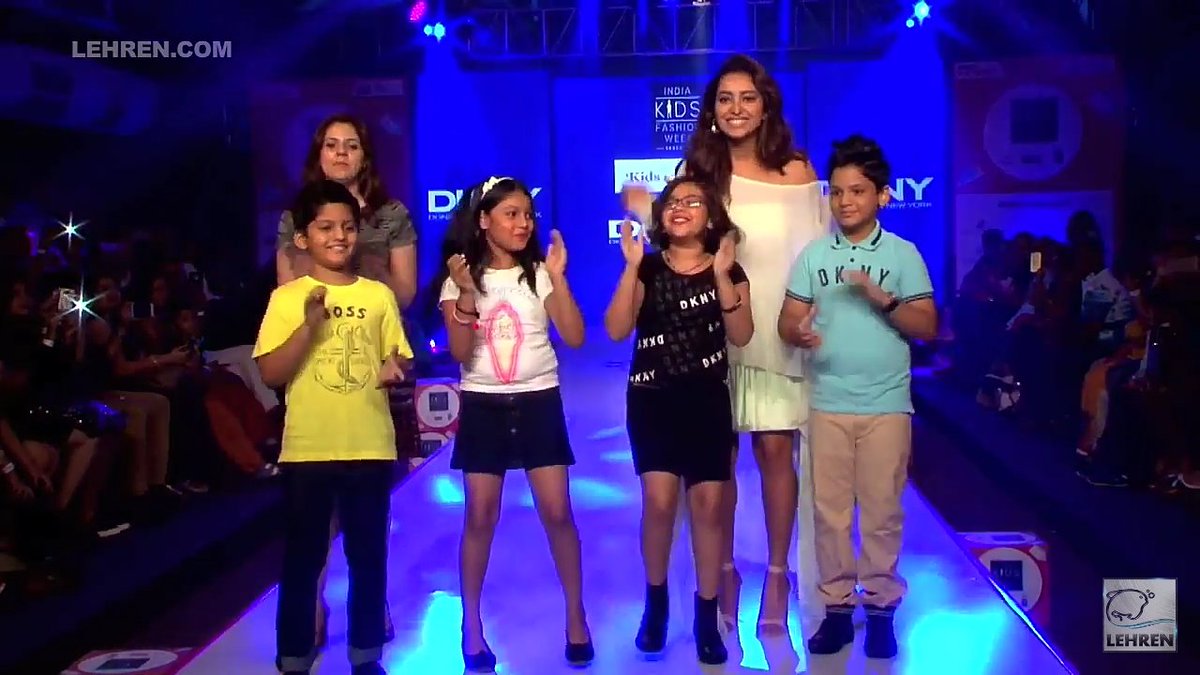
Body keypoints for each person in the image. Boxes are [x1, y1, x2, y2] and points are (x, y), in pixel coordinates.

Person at [669, 52, 829, 634]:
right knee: (719, 461)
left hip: (781, 334)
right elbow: (678, 252)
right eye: (725, 99)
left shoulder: (799, 172)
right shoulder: (697, 173)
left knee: (776, 453)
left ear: (765, 107)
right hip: (715, 333)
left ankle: (780, 576)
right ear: (712, 110)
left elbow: (818, 258)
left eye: (747, 98)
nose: (735, 109)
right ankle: (724, 571)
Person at [778, 135, 937, 659]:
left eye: (858, 191)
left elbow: (927, 326)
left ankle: (882, 610)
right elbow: (786, 321)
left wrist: (882, 299)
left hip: (887, 406)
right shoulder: (814, 256)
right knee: (829, 516)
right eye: (839, 191)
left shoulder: (902, 255)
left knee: (882, 513)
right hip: (827, 402)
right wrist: (796, 332)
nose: (845, 201)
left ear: (882, 196)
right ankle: (837, 612)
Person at [255, 180, 412, 675]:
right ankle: (294, 656)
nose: (339, 236)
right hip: (308, 450)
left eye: (347, 226)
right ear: (303, 238)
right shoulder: (287, 299)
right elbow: (271, 373)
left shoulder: (378, 296)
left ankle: (365, 655)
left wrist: (394, 368)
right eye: (325, 227)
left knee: (368, 558)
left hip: (369, 446)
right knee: (303, 559)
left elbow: (398, 357)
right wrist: (309, 326)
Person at [436, 176, 593, 672]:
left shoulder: (540, 274)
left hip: (538, 402)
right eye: (511, 214)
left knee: (558, 512)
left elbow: (575, 336)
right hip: (483, 405)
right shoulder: (459, 279)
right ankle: (471, 625)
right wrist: (466, 295)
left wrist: (559, 278)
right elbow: (460, 352)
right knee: (480, 517)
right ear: (484, 220)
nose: (523, 223)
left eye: (527, 214)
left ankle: (576, 615)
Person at [604, 177, 752, 664]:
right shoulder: (647, 267)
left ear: (711, 217)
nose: (680, 208)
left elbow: (742, 334)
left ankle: (706, 615)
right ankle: (656, 604)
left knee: (709, 508)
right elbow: (616, 329)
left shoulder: (729, 269)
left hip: (707, 401)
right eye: (672, 202)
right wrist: (631, 268)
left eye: (693, 202)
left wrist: (723, 277)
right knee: (660, 503)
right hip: (653, 399)